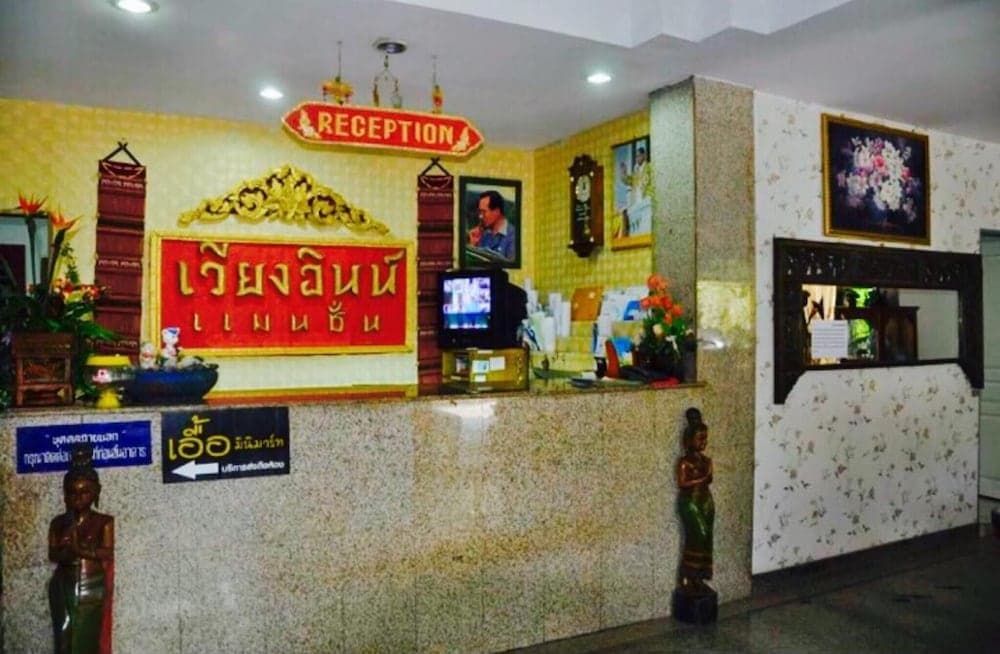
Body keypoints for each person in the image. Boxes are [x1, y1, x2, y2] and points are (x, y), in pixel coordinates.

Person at [48, 446, 114, 654]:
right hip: (63, 584)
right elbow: (53, 554)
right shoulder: (59, 522)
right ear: (65, 494)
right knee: (64, 635)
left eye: (85, 492)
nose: (78, 498)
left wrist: (80, 549)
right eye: (72, 492)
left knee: (87, 636)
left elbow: (108, 552)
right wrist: (68, 551)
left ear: (96, 492)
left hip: (92, 584)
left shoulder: (104, 521)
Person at [676, 407, 714, 594]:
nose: (703, 442)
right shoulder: (685, 462)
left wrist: (705, 476)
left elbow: (710, 479)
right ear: (689, 440)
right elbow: (683, 483)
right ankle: (686, 575)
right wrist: (702, 478)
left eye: (705, 438)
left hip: (705, 500)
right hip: (690, 501)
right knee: (698, 534)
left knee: (707, 537)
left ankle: (699, 577)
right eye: (700, 438)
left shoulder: (706, 460)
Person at [467, 190, 516, 261]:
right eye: (480, 212)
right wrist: (473, 245)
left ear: (497, 211)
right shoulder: (484, 234)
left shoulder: (513, 237)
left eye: (484, 212)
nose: (480, 216)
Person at [619, 145, 652, 236]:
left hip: (647, 200)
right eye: (636, 156)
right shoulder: (636, 170)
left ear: (644, 155)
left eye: (639, 156)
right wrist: (623, 173)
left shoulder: (649, 167)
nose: (637, 158)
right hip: (637, 201)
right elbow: (629, 181)